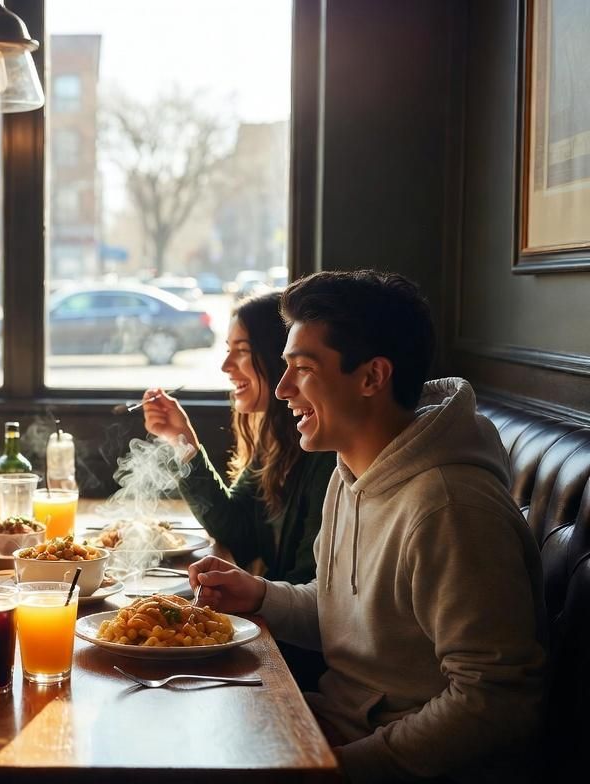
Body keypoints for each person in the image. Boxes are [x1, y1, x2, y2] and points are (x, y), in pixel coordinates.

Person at [189, 270, 546, 783]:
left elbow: (494, 703)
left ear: (372, 377)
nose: (284, 388)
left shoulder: (450, 508)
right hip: (332, 724)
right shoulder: (353, 470)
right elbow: (349, 612)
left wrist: (337, 768)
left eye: (303, 369)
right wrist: (261, 595)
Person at [143, 291, 335, 585]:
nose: (226, 366)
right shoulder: (275, 440)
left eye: (242, 350)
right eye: (228, 349)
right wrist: (182, 439)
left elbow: (309, 587)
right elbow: (234, 527)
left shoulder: (324, 453)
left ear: (278, 356)